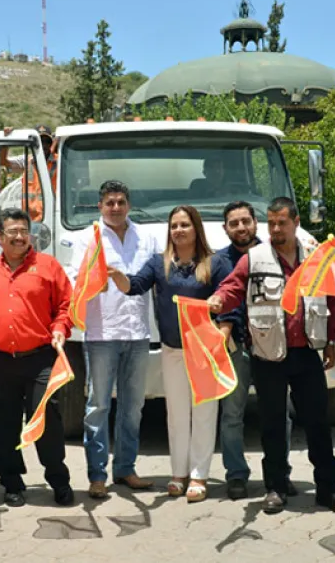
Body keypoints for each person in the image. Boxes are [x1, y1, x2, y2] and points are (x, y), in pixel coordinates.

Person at [208, 197, 335, 516]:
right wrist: (219, 299)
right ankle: (275, 487)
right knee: (272, 425)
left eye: (281, 223)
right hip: (268, 354)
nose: (275, 229)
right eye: (271, 223)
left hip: (306, 354)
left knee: (317, 424)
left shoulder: (315, 258)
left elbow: (330, 303)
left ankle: (328, 490)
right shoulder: (253, 258)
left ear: (296, 222)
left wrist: (331, 342)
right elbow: (232, 288)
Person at [108, 205, 237, 503]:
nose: (178, 230)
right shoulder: (158, 264)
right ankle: (178, 474)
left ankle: (199, 475)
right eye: (174, 226)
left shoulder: (215, 263)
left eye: (184, 225)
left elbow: (231, 302)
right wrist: (117, 277)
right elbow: (135, 286)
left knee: (204, 414)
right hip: (172, 350)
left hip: (204, 350)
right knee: (177, 414)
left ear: (196, 229)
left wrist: (224, 332)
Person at [68, 180, 161, 499]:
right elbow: (74, 280)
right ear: (100, 206)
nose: (116, 207)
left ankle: (125, 468)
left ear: (129, 204)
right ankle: (97, 475)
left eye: (121, 201)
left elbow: (156, 278)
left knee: (133, 406)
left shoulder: (147, 237)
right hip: (101, 333)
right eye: (110, 202)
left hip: (137, 333)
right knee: (97, 406)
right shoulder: (87, 239)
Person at [0, 207, 74, 508]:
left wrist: (60, 328)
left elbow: (65, 305)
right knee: (4, 426)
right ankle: (12, 482)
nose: (20, 237)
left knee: (47, 422)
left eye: (23, 231)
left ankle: (58, 479)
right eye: (12, 232)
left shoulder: (48, 266)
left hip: (40, 359)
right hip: (0, 361)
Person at [217, 200, 295, 501]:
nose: (240, 227)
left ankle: (279, 475)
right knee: (232, 414)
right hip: (234, 347)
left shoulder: (272, 255)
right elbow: (222, 297)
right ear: (226, 228)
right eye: (234, 223)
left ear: (255, 223)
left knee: (279, 415)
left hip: (271, 349)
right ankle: (236, 475)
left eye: (245, 221)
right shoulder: (218, 261)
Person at [0, 124, 58, 221]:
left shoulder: (60, 161)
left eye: (46, 142)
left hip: (53, 218)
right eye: (39, 142)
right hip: (30, 221)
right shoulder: (27, 160)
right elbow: (3, 162)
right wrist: (6, 139)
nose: (43, 145)